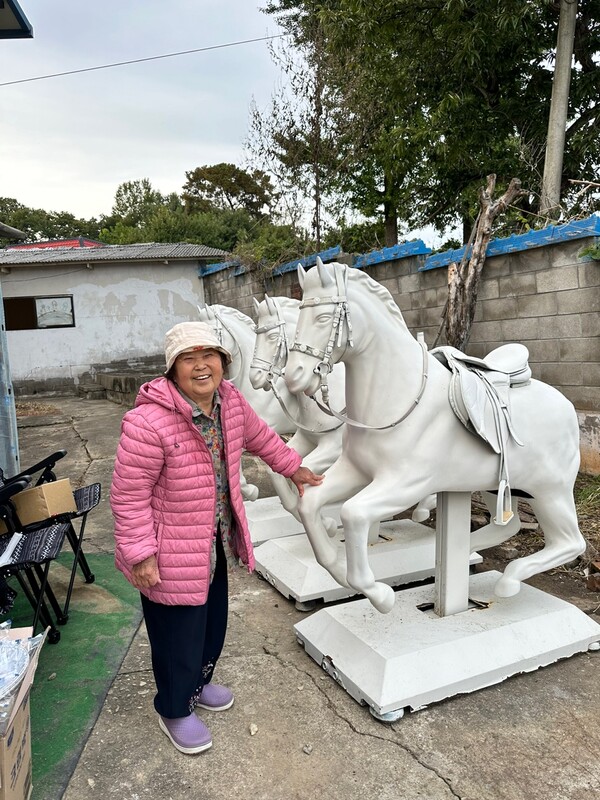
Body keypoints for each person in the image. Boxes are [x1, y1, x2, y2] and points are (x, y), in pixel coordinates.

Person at [110, 321, 323, 755]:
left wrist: (294, 468)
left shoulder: (230, 401)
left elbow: (262, 439)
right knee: (176, 638)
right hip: (168, 553)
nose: (201, 365)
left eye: (209, 355)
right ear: (173, 369)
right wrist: (140, 555)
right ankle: (173, 708)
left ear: (223, 362)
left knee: (210, 625)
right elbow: (129, 497)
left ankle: (197, 684)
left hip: (214, 543)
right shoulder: (147, 422)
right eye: (189, 358)